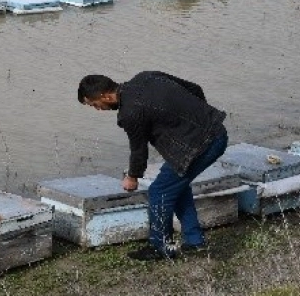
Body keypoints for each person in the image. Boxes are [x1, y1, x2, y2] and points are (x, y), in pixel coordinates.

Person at [77, 71, 228, 261]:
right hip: (216, 130)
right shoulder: (147, 77)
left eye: (94, 105)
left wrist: (132, 177)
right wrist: (199, 119)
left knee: (159, 192)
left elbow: (139, 150)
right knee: (176, 187)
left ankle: (160, 247)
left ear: (105, 96)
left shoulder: (129, 113)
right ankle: (195, 241)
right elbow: (194, 88)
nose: (97, 109)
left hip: (200, 146)